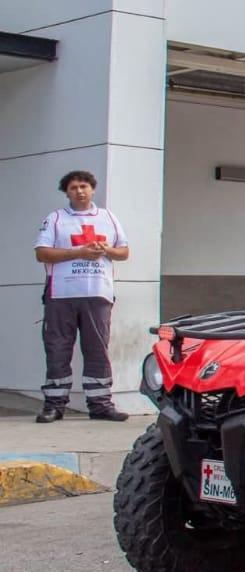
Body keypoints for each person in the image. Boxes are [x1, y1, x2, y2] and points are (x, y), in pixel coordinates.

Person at [33, 170, 130, 422]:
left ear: (93, 189)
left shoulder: (108, 217)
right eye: (74, 187)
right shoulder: (55, 219)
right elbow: (42, 253)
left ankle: (100, 405)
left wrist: (105, 249)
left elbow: (123, 252)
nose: (80, 191)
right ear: (67, 192)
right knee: (57, 348)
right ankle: (54, 405)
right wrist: (79, 252)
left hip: (97, 294)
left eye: (84, 186)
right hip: (61, 295)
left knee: (97, 348)